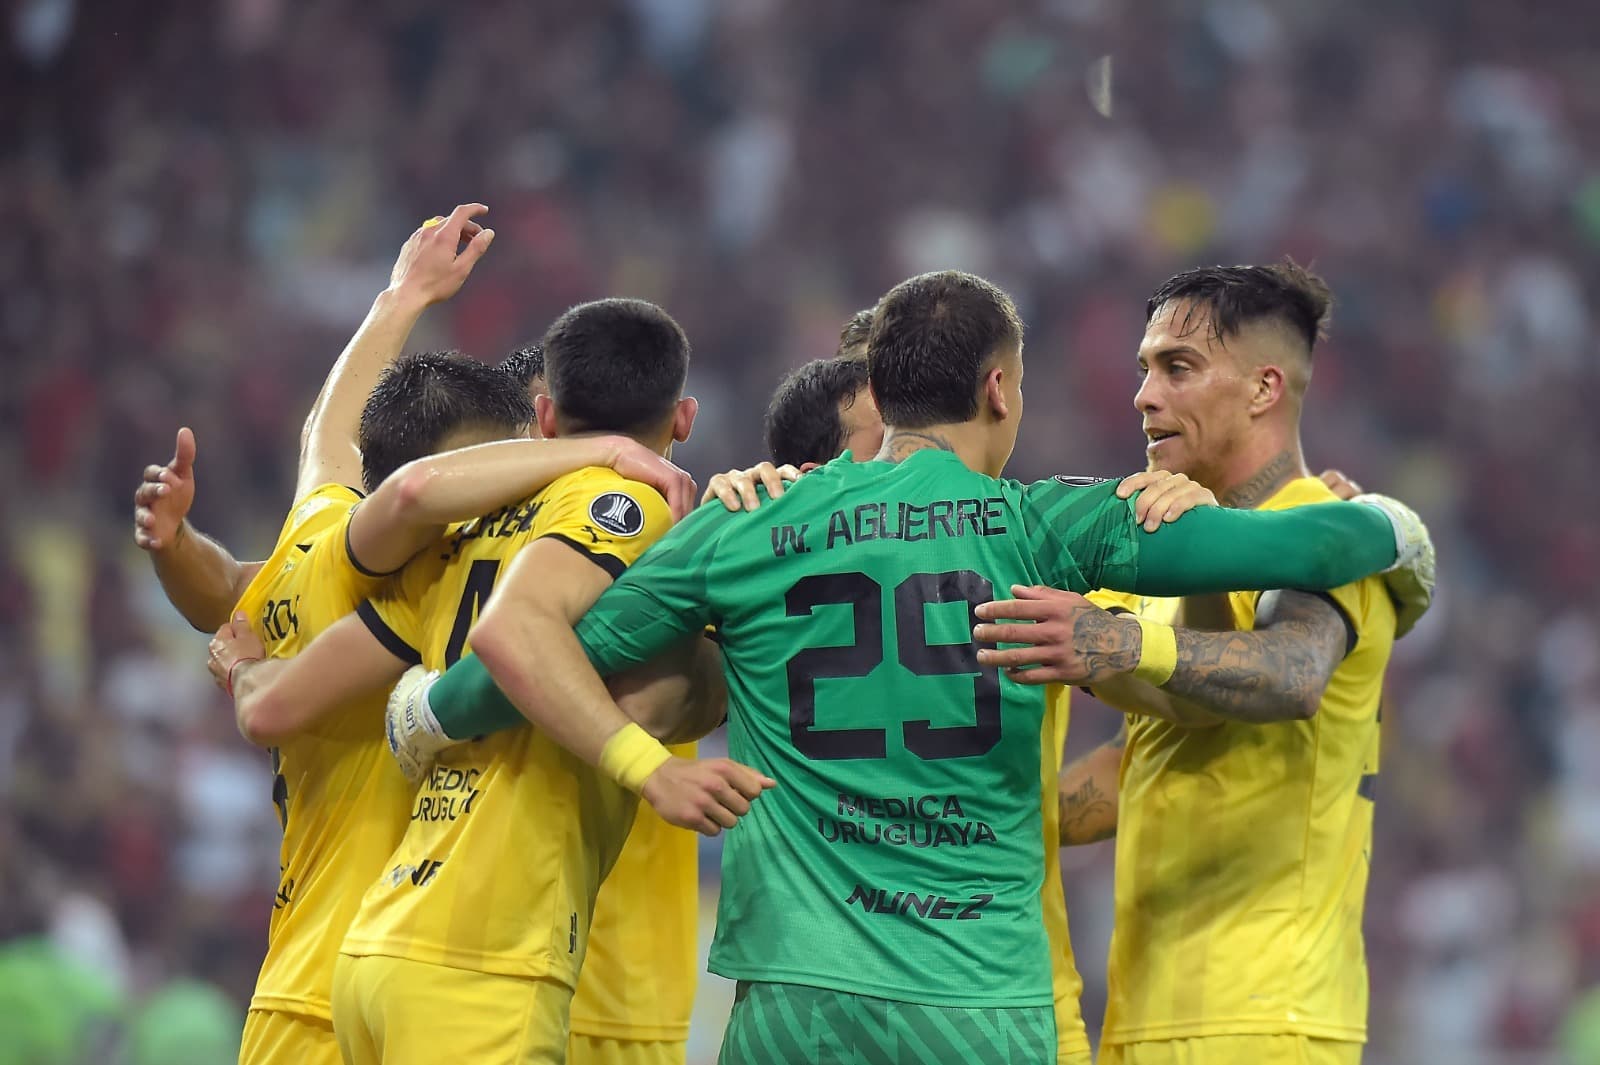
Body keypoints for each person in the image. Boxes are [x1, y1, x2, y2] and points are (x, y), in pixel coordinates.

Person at [402, 269, 1428, 1064]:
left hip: (794, 990)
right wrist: (1390, 526)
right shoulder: (1047, 526)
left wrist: (431, 710)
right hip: (982, 990)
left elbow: (546, 657)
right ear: (996, 389)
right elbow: (1302, 551)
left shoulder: (744, 525)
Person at [209, 297, 746, 1065]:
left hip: (375, 952)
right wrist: (648, 765)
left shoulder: (458, 534)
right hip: (490, 957)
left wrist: (240, 666)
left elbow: (276, 700)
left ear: (547, 416)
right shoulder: (631, 512)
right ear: (684, 419)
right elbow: (512, 634)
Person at [972, 262, 1434, 1065]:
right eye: (1144, 369)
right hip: (1147, 1013)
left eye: (1176, 368)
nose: (1144, 396)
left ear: (1263, 389)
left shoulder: (1319, 527)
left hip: (1265, 1017)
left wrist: (1119, 641)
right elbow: (1138, 767)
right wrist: (966, 824)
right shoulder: (1183, 545)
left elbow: (1292, 673)